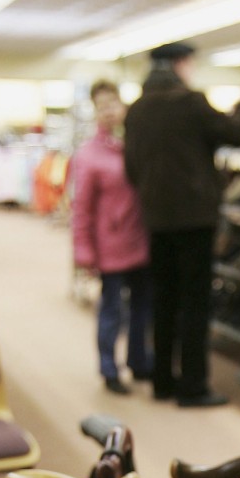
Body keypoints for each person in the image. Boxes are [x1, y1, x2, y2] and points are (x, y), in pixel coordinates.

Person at [124, 42, 240, 407]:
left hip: (157, 219)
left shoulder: (136, 110)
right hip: (195, 220)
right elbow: (239, 132)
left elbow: (131, 169)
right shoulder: (191, 102)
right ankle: (193, 386)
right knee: (195, 303)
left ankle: (163, 380)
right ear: (181, 64)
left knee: (163, 301)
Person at [72, 79, 152, 395]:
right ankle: (109, 368)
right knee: (112, 310)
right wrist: (83, 251)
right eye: (101, 106)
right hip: (110, 247)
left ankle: (138, 360)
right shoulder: (89, 155)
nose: (108, 112)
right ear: (94, 112)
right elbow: (82, 209)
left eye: (113, 104)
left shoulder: (137, 145)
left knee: (143, 309)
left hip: (142, 241)